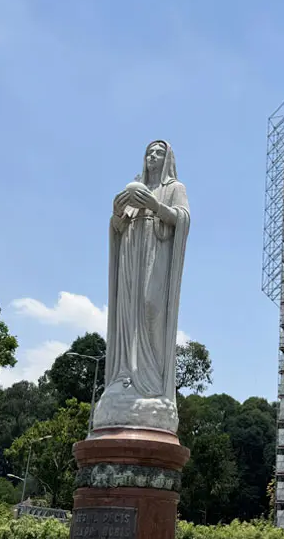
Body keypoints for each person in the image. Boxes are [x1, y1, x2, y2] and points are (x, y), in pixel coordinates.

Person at [92, 140, 190, 434]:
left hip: (155, 254)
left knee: (150, 307)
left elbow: (182, 219)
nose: (153, 156)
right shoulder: (134, 187)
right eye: (149, 152)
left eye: (159, 152)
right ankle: (125, 375)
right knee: (128, 314)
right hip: (131, 255)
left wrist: (155, 206)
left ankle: (152, 381)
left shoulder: (174, 188)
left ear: (168, 159)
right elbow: (118, 227)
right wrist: (117, 213)